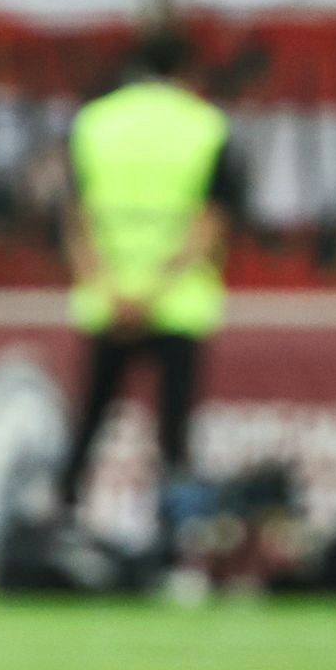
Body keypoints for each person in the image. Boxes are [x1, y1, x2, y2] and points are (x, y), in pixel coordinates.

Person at [53, 28, 241, 539]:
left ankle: (60, 526)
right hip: (175, 301)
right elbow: (210, 223)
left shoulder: (94, 122)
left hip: (108, 300)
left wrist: (109, 285)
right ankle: (174, 544)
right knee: (174, 434)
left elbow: (75, 216)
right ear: (187, 71)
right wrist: (155, 290)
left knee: (89, 421)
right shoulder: (204, 126)